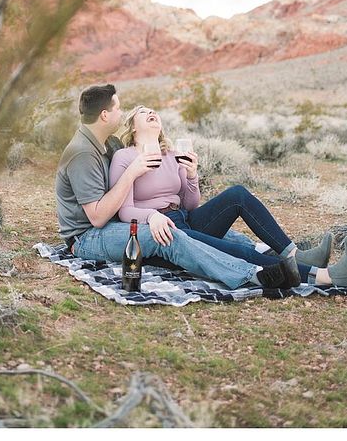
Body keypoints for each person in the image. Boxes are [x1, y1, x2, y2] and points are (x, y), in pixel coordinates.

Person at [54, 84, 293, 291]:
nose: (122, 112)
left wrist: (190, 175)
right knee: (169, 235)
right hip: (87, 236)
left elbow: (188, 203)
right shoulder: (82, 153)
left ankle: (288, 256)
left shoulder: (110, 143)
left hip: (128, 222)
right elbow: (97, 218)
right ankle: (253, 273)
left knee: (219, 226)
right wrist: (143, 195)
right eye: (117, 108)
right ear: (105, 115)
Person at [107, 104, 347, 288]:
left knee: (238, 194)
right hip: (160, 234)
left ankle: (294, 254)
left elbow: (190, 204)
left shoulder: (171, 154)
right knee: (232, 250)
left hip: (183, 219)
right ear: (132, 126)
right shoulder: (125, 157)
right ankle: (328, 277)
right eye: (142, 111)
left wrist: (192, 175)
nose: (151, 112)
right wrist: (152, 216)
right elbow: (124, 211)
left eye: (153, 111)